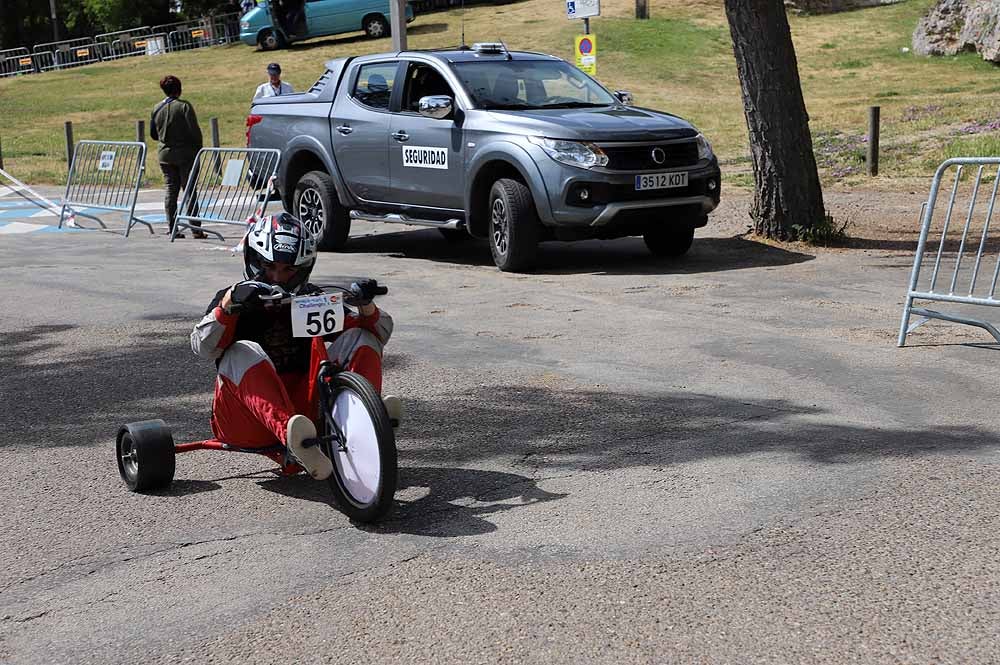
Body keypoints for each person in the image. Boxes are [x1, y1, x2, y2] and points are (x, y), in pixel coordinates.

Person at [190, 212, 399, 479]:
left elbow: (378, 334)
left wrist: (366, 305)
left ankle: (366, 420)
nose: (277, 277)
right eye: (269, 266)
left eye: (288, 270)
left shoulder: (310, 298)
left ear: (302, 269)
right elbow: (203, 348)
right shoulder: (232, 299)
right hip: (245, 421)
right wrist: (229, 306)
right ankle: (296, 440)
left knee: (361, 337)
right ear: (255, 261)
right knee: (241, 351)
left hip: (306, 418)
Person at [150, 75, 206, 239]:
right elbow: (194, 132)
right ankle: (195, 229)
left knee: (170, 190)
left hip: (164, 155)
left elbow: (153, 134)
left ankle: (172, 226)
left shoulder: (156, 108)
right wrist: (198, 149)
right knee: (189, 192)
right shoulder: (184, 107)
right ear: (179, 89)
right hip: (185, 155)